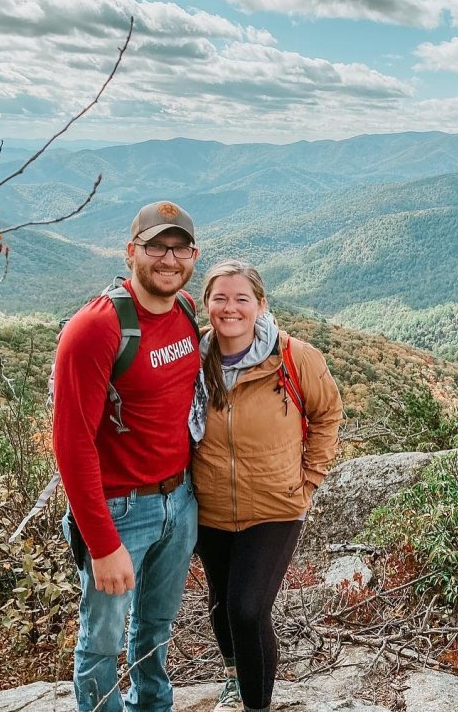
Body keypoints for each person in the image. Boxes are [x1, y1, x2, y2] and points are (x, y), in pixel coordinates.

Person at [53, 201, 202, 712]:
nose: (168, 258)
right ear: (130, 251)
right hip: (120, 510)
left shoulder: (184, 310)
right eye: (156, 246)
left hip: (179, 502)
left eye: (179, 247)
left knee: (156, 629)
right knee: (102, 641)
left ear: (193, 255)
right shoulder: (95, 329)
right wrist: (101, 544)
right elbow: (71, 444)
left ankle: (152, 706)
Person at [191, 260, 343, 712]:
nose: (230, 308)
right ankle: (235, 676)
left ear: (261, 305)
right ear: (207, 304)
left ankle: (256, 706)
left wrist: (308, 480)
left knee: (248, 609)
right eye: (220, 298)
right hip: (210, 507)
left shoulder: (295, 358)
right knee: (222, 605)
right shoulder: (195, 360)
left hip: (276, 507)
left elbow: (328, 415)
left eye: (242, 298)